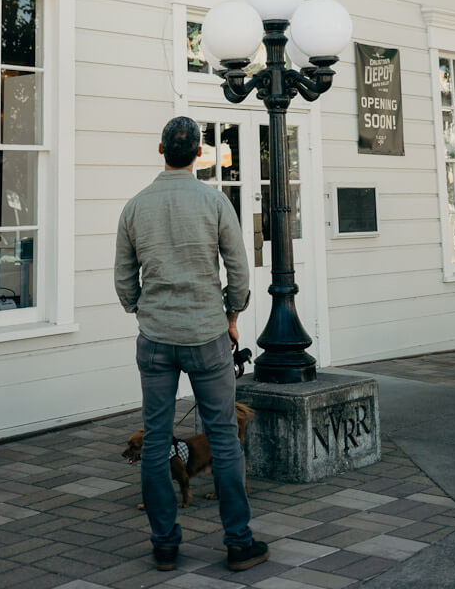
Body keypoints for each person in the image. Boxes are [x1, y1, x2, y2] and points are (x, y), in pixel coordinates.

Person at [114, 116, 269, 573]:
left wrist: (143, 308)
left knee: (157, 439)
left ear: (160, 150)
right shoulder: (215, 202)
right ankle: (238, 542)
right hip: (208, 333)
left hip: (156, 337)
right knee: (223, 438)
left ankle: (165, 544)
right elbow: (238, 272)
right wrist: (233, 316)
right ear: (200, 153)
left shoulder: (135, 207)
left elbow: (125, 282)